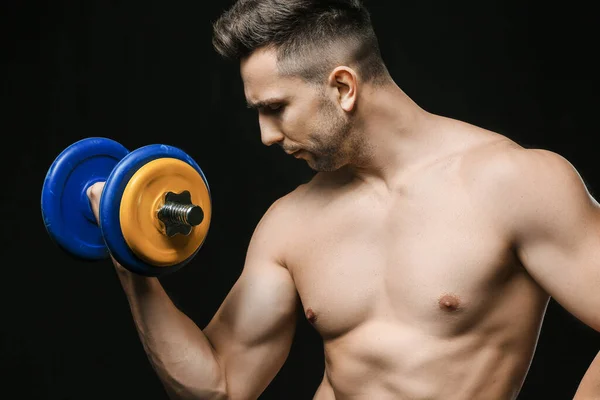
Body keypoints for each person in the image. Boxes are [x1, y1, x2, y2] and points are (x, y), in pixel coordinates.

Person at [86, 0, 600, 398]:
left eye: (276, 108)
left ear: (343, 87)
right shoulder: (291, 223)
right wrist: (128, 256)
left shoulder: (516, 183)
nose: (265, 135)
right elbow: (221, 383)